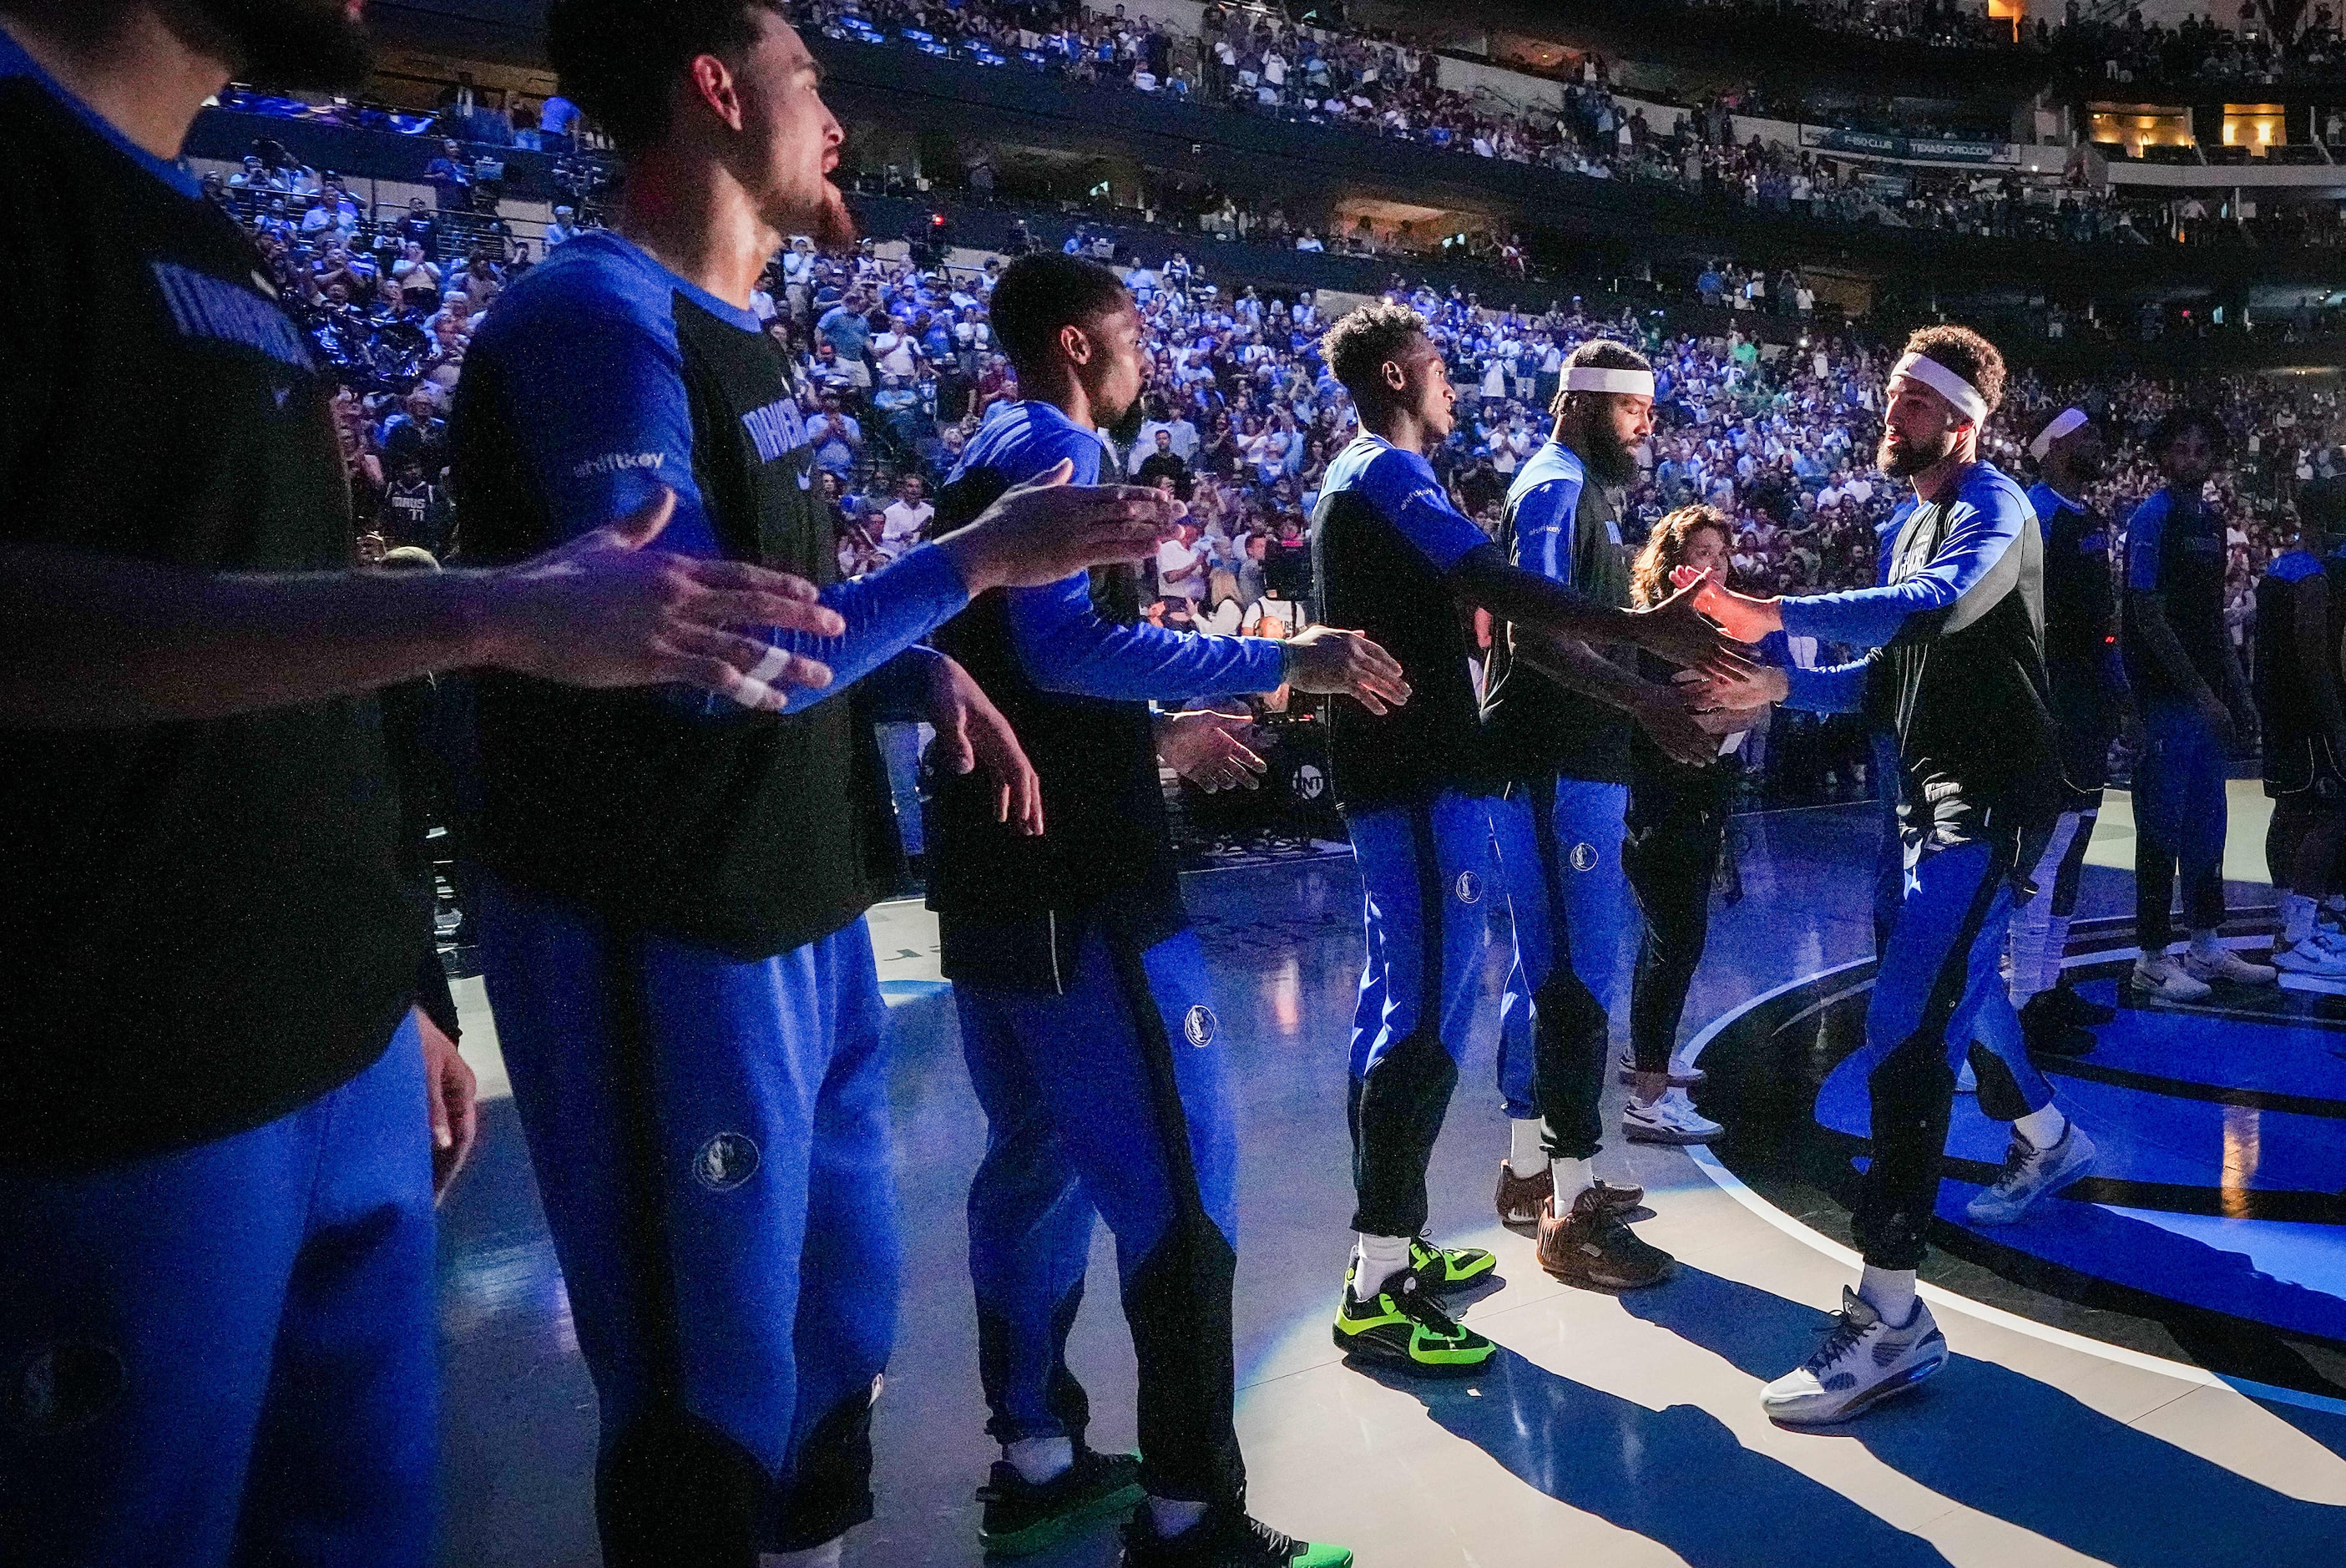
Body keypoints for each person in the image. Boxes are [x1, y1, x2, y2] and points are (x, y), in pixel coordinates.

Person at [0, 3, 865, 1564]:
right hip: (115, 1084)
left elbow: (276, 636)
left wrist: (386, 969)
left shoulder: (201, 222)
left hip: (325, 1044)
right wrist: (485, 604)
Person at [449, 8, 1184, 1565]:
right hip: (664, 925)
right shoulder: (593, 318)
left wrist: (924, 663)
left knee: (829, 1339)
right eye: (810, 79)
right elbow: (692, 645)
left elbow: (783, 592)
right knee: (707, 1386)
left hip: (802, 904)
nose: (834, 114)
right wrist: (972, 567)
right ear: (714, 89)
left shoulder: (740, 325)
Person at [928, 253, 1400, 1568]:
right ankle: (1192, 1516)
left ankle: (1033, 1454)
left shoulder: (982, 454)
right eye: (1133, 337)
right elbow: (1062, 651)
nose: (1146, 361)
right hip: (1091, 897)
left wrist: (1151, 746)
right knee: (1186, 1189)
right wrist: (1280, 657)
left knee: (1031, 1168)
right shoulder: (1059, 450)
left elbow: (1014, 687)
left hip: (994, 884)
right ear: (1081, 343)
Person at [1308, 301, 1746, 1381]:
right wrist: (1642, 646)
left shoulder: (1362, 477)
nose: (1453, 385)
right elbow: (1502, 597)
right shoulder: (1387, 472)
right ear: (1400, 376)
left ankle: (1402, 1246)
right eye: (1439, 367)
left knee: (1414, 1011)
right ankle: (1378, 1282)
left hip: (1420, 777)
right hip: (1422, 778)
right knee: (1440, 1016)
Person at [1682, 326, 2086, 1421]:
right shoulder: (1911, 522)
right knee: (1944, 1001)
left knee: (1904, 1033)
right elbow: (1882, 680)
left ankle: (1894, 1315)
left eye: (1912, 397)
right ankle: (2043, 1141)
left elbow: (1922, 612)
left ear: (1962, 418)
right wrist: (1774, 690)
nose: (1890, 409)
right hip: (1918, 798)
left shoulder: (1992, 512)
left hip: (1980, 802)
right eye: (1890, 392)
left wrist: (1768, 613)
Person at [1479, 340, 1718, 1293]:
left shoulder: (1578, 490)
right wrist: (1645, 703)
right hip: (1548, 761)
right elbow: (1531, 634)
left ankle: (1532, 1167)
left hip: (1573, 762)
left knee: (1559, 978)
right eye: (1633, 412)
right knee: (1573, 982)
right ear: (1580, 406)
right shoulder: (1552, 490)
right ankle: (1565, 1209)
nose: (1646, 428)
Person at [2122, 407, 2276, 999]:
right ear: (2163, 458)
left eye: (2200, 450)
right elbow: (2146, 615)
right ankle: (2152, 956)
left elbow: (2212, 622)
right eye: (2180, 449)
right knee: (2159, 827)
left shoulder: (2212, 522)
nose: (2190, 459)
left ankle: (2206, 945)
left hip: (2207, 701)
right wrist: (2202, 691)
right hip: (2165, 698)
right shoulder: (2151, 518)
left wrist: (2241, 694)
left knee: (2208, 826)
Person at [1616, 507, 1743, 1145]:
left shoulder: (1709, 629)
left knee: (1664, 943)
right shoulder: (1660, 637)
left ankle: (1648, 1059)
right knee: (1676, 943)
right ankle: (1648, 1095)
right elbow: (1695, 719)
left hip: (1697, 800)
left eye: (1721, 555)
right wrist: (1741, 708)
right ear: (1671, 564)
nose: (1714, 567)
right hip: (1663, 807)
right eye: (1701, 554)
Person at [2010, 408, 2126, 1049]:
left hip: (2086, 704)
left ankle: (2049, 985)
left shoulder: (2085, 517)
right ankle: (2027, 998)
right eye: (2087, 436)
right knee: (2045, 853)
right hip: (2053, 705)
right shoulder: (2037, 515)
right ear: (2054, 448)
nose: (2098, 443)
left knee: (2074, 845)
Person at [2254, 502, 2346, 975]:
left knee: (2290, 813)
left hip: (2281, 711)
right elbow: (2314, 659)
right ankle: (2296, 935)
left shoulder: (2281, 567)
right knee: (2328, 816)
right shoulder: (2312, 576)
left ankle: (2289, 925)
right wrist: (2336, 722)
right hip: (2308, 715)